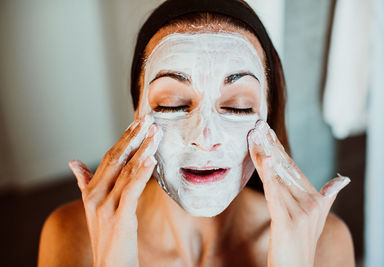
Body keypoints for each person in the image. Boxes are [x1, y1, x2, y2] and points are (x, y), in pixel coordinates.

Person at [38, 0, 355, 266]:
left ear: (268, 119)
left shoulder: (321, 244)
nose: (204, 136)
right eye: (172, 104)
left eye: (238, 107)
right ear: (137, 115)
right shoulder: (73, 236)